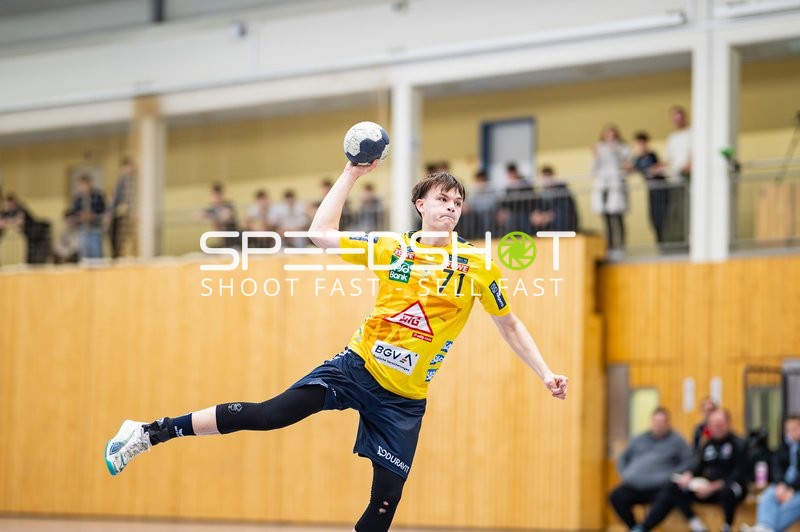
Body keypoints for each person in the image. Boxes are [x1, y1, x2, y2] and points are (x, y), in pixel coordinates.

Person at [104, 161, 569, 532]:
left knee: (386, 502)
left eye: (457, 203)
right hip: (354, 369)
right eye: (442, 199)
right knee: (268, 416)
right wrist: (352, 173)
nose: (451, 208)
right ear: (420, 205)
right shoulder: (392, 248)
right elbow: (320, 234)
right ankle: (149, 432)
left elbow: (508, 325)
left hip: (402, 401)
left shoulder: (476, 264)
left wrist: (545, 372)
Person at [637, 408, 749, 532]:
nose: (717, 428)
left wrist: (713, 487)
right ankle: (695, 524)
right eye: (714, 425)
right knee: (673, 487)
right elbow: (698, 467)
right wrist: (688, 476)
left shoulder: (739, 444)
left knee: (727, 491)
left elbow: (739, 474)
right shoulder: (707, 444)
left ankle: (727, 527)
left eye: (720, 425)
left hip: (730, 488)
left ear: (728, 423)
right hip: (706, 488)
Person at [610, 407, 694, 531]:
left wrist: (674, 473)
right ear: (651, 422)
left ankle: (644, 527)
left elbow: (689, 461)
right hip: (634, 486)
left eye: (661, 422)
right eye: (656, 422)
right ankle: (633, 527)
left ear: (667, 423)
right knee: (616, 496)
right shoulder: (639, 439)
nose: (658, 425)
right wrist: (624, 473)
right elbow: (623, 458)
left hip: (659, 488)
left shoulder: (677, 441)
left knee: (670, 495)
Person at [742, 415, 800, 532]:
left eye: (796, 428)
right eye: (789, 429)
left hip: (797, 488)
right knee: (766, 497)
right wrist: (780, 484)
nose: (792, 432)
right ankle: (764, 527)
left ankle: (766, 528)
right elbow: (776, 466)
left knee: (794, 504)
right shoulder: (784, 446)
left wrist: (792, 488)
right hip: (784, 485)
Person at [591, 124, 631, 258]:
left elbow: (626, 167)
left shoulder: (622, 148)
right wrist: (595, 156)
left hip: (616, 187)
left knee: (618, 218)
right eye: (607, 134)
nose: (610, 137)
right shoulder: (599, 148)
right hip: (603, 187)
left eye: (613, 134)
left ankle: (621, 246)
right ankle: (610, 247)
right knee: (606, 219)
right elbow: (593, 169)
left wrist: (615, 151)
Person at [631, 132, 668, 247]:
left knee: (662, 216)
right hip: (651, 191)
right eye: (638, 144)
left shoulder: (651, 155)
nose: (640, 146)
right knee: (653, 218)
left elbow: (656, 168)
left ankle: (665, 242)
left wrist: (656, 168)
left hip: (660, 189)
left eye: (642, 143)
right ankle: (659, 242)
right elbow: (632, 168)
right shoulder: (637, 159)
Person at [661, 105, 691, 245]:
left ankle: (689, 239)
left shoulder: (693, 133)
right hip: (675, 179)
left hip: (688, 178)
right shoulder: (672, 138)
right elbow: (667, 159)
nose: (677, 120)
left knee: (687, 210)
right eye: (674, 117)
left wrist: (689, 165)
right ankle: (677, 241)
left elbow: (695, 154)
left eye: (679, 116)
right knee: (675, 212)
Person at [4, 193, 52, 264]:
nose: (10, 206)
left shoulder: (21, 208)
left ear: (15, 202)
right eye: (8, 204)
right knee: (30, 255)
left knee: (38, 254)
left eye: (11, 204)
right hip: (29, 234)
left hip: (37, 231)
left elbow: (19, 221)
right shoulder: (9, 212)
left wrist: (8, 221)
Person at [529, 165, 579, 233]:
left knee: (560, 216)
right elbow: (539, 207)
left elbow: (564, 210)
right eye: (544, 177)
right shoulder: (542, 194)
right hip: (549, 223)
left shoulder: (563, 191)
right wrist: (537, 214)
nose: (547, 179)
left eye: (548, 176)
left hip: (564, 224)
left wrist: (546, 216)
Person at [69, 175, 106, 259]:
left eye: (86, 184)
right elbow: (73, 213)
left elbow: (103, 211)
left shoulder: (98, 196)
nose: (85, 187)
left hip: (95, 229)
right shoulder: (77, 198)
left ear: (90, 183)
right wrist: (80, 216)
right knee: (84, 256)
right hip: (82, 230)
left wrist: (93, 215)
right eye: (82, 185)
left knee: (96, 255)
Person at [108, 157, 136, 259]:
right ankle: (120, 256)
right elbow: (116, 198)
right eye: (125, 168)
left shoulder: (138, 180)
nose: (127, 170)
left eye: (129, 167)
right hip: (125, 213)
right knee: (121, 238)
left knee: (135, 237)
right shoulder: (122, 181)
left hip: (135, 213)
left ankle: (136, 256)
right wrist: (110, 211)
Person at [199, 182, 239, 250]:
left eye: (217, 195)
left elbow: (226, 216)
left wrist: (212, 217)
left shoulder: (228, 205)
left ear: (221, 195)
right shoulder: (212, 209)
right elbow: (199, 215)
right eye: (214, 195)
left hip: (233, 241)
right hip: (222, 243)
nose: (215, 198)